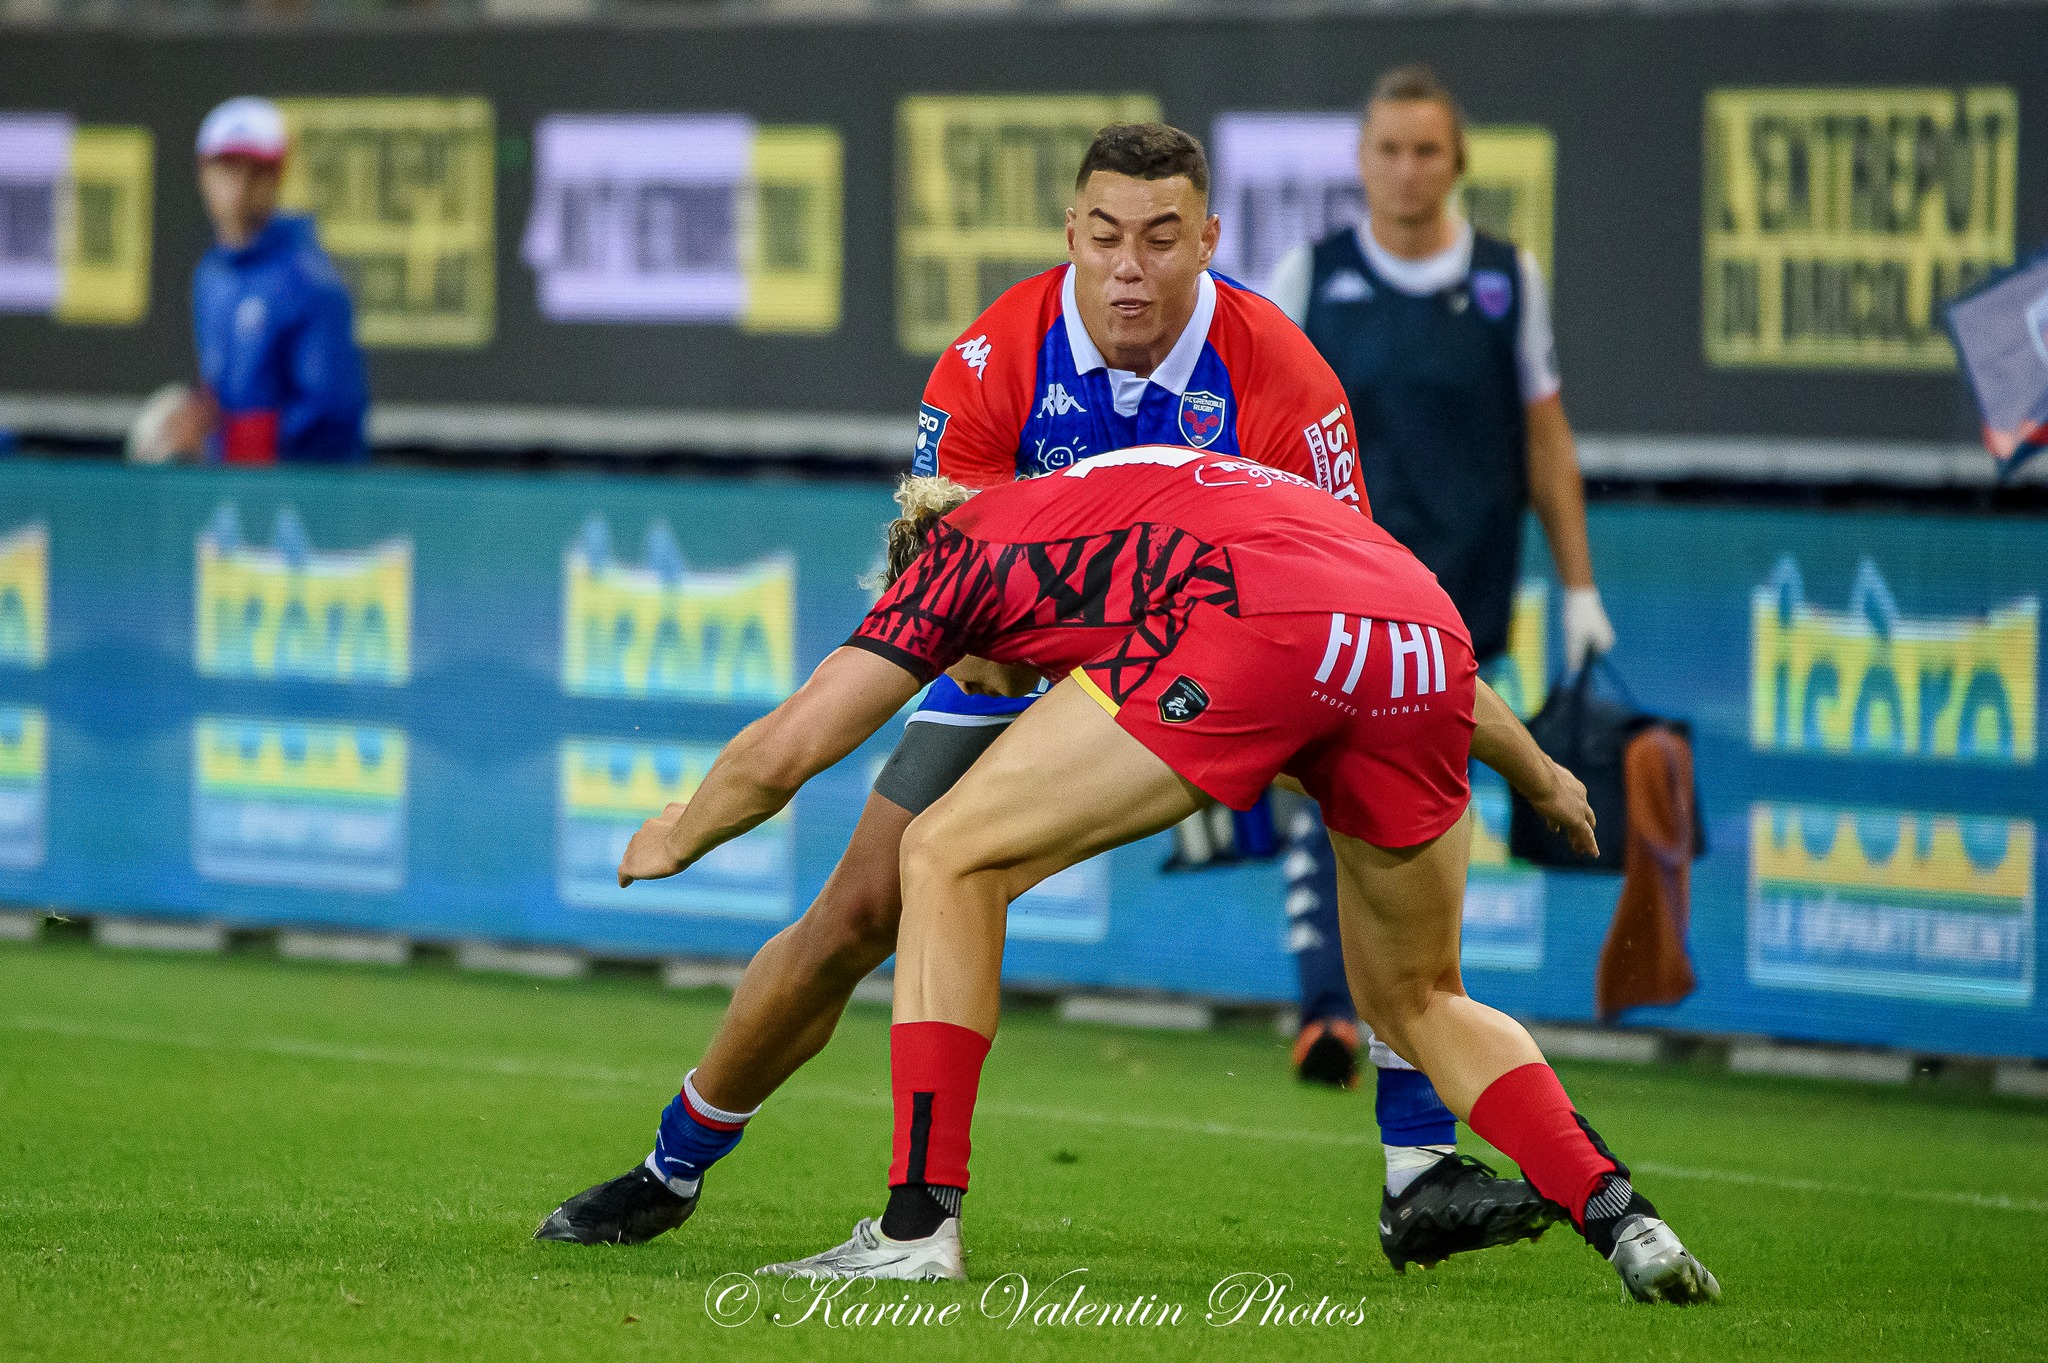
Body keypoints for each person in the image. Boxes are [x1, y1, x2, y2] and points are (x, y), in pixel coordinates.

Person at [534, 121, 1551, 1271]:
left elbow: (1357, 607)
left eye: (1162, 239)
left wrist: (1506, 757)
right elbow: (949, 607)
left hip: (1231, 666)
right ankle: (672, 1167)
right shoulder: (990, 361)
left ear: (1207, 241)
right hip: (1025, 661)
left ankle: (1415, 1167)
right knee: (859, 912)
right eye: (1106, 235)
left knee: (1377, 823)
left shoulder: (1284, 375)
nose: (1130, 265)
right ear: (1069, 232)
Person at [613, 448, 1720, 1305]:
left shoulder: (955, 555)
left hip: (1259, 628)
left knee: (946, 851)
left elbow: (788, 748)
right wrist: (1538, 771)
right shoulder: (1134, 495)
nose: (990, 687)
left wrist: (679, 832)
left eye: (967, 674)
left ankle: (913, 1231)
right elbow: (1367, 616)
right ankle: (1623, 1216)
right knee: (1423, 999)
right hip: (1424, 632)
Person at [1260, 67, 1614, 1200]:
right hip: (1330, 609)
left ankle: (1386, 1087)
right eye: (1387, 151)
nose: (1406, 171)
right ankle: (1355, 1051)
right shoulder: (1306, 278)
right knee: (1334, 810)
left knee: (1415, 853)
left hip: (1454, 612)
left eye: (1425, 152)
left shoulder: (1508, 281)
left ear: (1455, 163)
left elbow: (1544, 438)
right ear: (1360, 163)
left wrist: (1576, 588)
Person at [153, 97, 368, 465]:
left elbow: (331, 416)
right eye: (227, 167)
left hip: (310, 502)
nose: (241, 185)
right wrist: (198, 417)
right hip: (239, 492)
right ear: (203, 174)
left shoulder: (313, 283)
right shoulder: (211, 275)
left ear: (278, 176)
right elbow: (228, 388)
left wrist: (223, 443)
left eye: (258, 171)